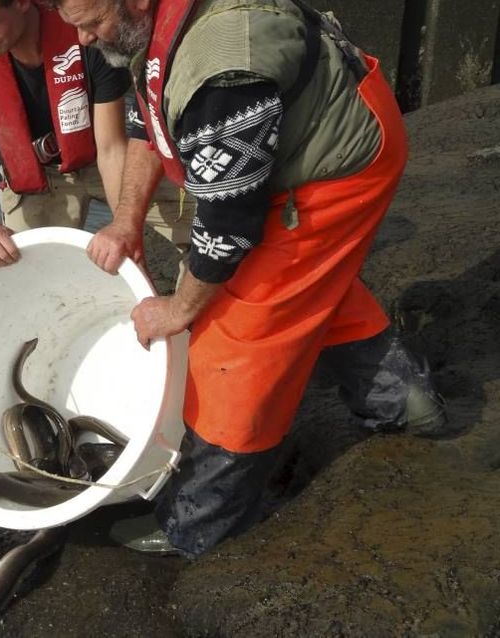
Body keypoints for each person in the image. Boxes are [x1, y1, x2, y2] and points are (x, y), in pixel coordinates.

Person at [46, 0, 450, 556]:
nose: (85, 39)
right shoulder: (155, 26)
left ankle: (202, 525)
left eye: (92, 24)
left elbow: (227, 230)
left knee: (232, 342)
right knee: (305, 285)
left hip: (339, 166)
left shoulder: (222, 74)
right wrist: (125, 221)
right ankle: (401, 399)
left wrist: (180, 311)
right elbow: (149, 121)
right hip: (326, 129)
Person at [0, 0, 193, 272]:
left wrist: (126, 230)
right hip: (41, 179)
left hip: (101, 159)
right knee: (19, 268)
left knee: (199, 226)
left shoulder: (87, 35)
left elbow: (111, 148)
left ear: (21, 3)